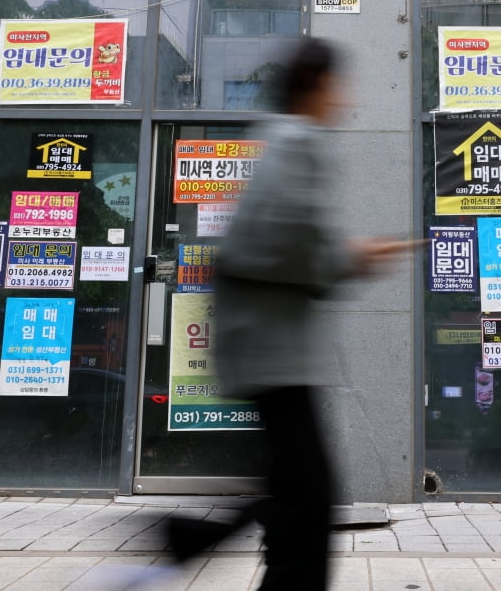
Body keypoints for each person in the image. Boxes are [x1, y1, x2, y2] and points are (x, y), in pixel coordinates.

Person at [165, 37, 416, 590]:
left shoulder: (280, 140)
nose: (344, 100)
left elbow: (274, 240)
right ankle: (187, 540)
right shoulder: (296, 141)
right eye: (338, 85)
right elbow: (281, 239)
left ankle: (186, 540)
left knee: (294, 490)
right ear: (318, 84)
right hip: (274, 353)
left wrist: (340, 256)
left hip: (268, 350)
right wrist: (352, 256)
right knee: (309, 498)